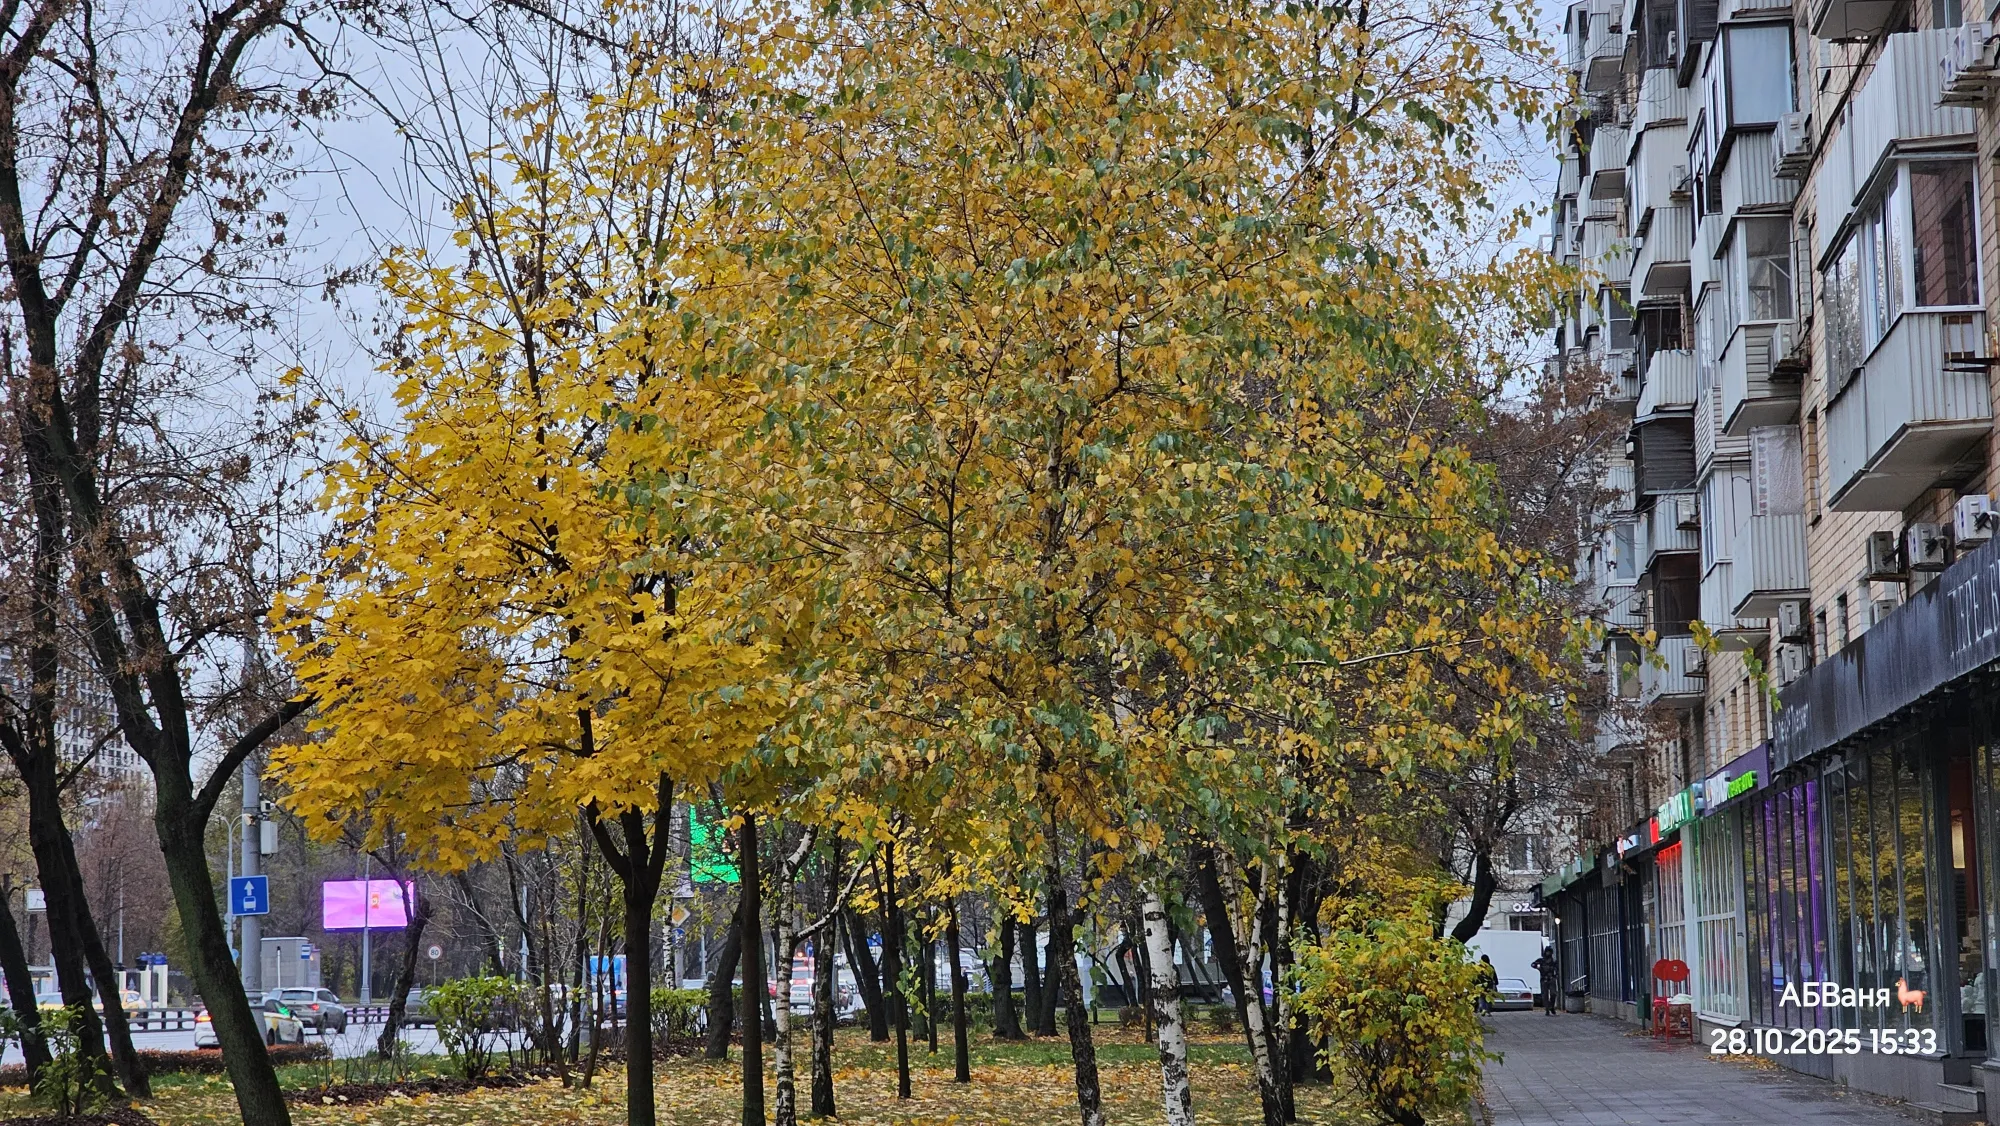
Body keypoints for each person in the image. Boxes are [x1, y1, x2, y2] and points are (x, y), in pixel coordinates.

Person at [1532, 949, 1560, 1016]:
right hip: (1543, 979)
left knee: (1553, 993)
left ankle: (1551, 1006)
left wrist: (1556, 976)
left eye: (1549, 952)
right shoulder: (1541, 961)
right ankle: (1547, 1009)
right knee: (1545, 996)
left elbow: (1557, 969)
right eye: (1547, 952)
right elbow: (1533, 964)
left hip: (1551, 979)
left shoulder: (1553, 961)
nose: (1548, 953)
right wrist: (1538, 967)